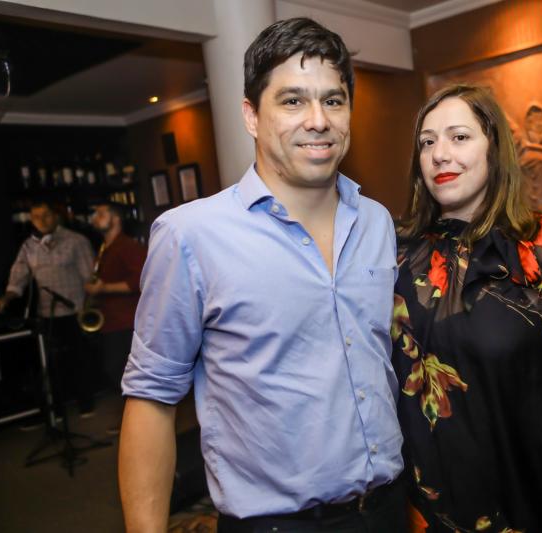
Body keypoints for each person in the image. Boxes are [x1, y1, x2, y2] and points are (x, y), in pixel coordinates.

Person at [118, 17, 406, 533]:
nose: (318, 120)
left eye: (333, 100)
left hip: (387, 510)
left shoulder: (377, 222)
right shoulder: (191, 236)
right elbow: (151, 400)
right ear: (251, 115)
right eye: (292, 101)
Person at [393, 84, 542, 533]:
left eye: (459, 137)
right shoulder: (398, 255)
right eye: (427, 142)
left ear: (495, 149)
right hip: (424, 506)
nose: (440, 154)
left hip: (528, 495)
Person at [0, 200, 96, 418]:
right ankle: (56, 410)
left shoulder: (76, 241)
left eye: (46, 215)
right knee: (50, 364)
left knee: (78, 360)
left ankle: (86, 403)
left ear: (56, 216)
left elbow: (90, 278)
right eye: (36, 217)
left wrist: (87, 308)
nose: (41, 220)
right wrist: (5, 299)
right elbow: (18, 278)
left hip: (75, 311)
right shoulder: (29, 246)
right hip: (46, 314)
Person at [85, 202, 146, 433]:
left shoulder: (127, 246)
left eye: (101, 213)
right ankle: (134, 420)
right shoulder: (104, 248)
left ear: (116, 218)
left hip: (126, 320)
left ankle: (138, 422)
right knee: (117, 371)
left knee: (119, 370)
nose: (95, 217)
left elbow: (141, 280)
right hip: (110, 319)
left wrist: (104, 288)